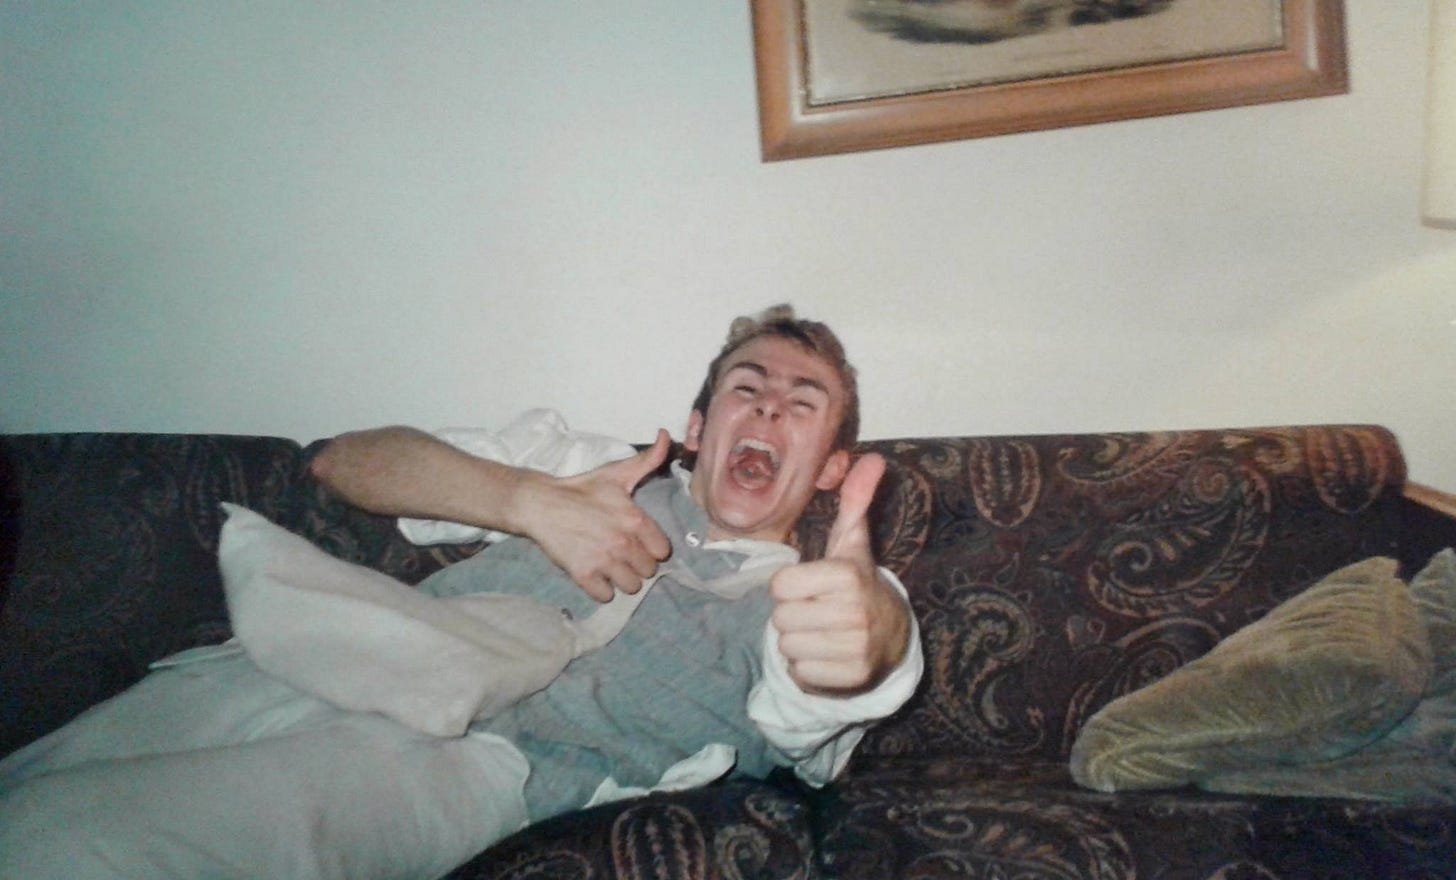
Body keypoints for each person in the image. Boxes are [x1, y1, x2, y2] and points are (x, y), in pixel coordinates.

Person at [0, 305, 922, 880]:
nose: (768, 408)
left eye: (803, 403)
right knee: (24, 795)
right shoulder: (586, 467)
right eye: (746, 389)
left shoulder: (818, 598)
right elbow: (342, 463)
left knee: (73, 845)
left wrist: (871, 639)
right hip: (307, 655)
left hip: (470, 766)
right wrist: (525, 501)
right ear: (697, 424)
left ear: (832, 468)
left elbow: (850, 673)